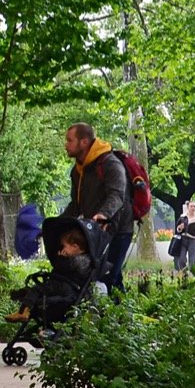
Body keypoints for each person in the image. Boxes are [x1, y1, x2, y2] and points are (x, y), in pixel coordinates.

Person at [59, 123, 133, 290]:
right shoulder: (77, 171)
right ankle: (118, 304)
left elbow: (117, 194)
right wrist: (56, 224)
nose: (66, 145)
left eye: (70, 140)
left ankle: (116, 305)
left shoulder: (110, 163)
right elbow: (75, 205)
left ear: (84, 142)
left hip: (119, 229)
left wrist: (103, 214)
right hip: (96, 231)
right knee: (109, 277)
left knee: (108, 276)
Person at [6, 227, 93, 322]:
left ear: (75, 247)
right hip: (65, 287)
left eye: (64, 246)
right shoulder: (83, 260)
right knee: (38, 291)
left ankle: (24, 311)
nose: (62, 249)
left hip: (66, 288)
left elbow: (63, 268)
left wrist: (61, 259)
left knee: (37, 289)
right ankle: (24, 303)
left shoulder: (79, 261)